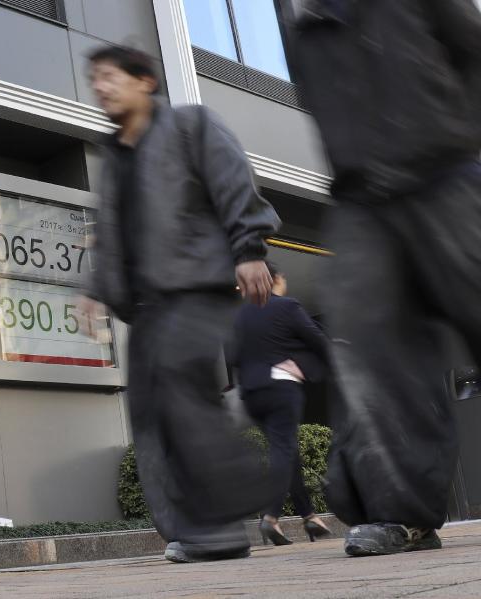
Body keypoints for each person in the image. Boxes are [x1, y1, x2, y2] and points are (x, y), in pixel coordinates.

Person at [280, 0, 481, 556]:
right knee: (374, 354)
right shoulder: (308, 34)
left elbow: (474, 55)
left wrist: (462, 138)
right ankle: (405, 514)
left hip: (448, 178)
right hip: (363, 204)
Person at [82, 45, 281, 563]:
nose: (100, 88)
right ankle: (195, 531)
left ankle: (221, 520)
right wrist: (95, 289)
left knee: (180, 389)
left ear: (145, 80)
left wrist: (249, 249)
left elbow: (234, 181)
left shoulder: (192, 125)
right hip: (145, 305)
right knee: (149, 415)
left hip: (196, 287)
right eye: (94, 80)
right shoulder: (114, 156)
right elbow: (110, 233)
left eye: (109, 77)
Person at [232, 262, 331, 545]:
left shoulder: (240, 316)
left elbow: (234, 356)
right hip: (280, 388)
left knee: (285, 450)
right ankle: (271, 517)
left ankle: (309, 517)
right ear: (273, 279)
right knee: (283, 449)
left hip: (252, 393)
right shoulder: (286, 306)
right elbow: (319, 341)